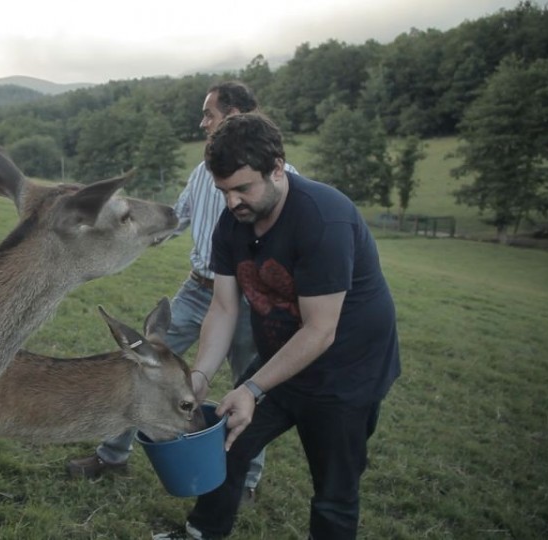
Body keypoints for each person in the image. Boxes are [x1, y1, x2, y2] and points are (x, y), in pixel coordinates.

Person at [153, 112, 401, 540]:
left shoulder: (324, 219)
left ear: (278, 168)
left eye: (243, 188)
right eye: (223, 191)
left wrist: (251, 388)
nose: (232, 203)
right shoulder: (232, 224)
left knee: (334, 491)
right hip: (283, 361)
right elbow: (224, 308)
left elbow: (320, 330)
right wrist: (200, 375)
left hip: (347, 374)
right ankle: (202, 534)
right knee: (227, 443)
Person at [67, 81, 297, 502]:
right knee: (144, 368)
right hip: (197, 290)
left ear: (236, 114)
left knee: (249, 384)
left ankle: (244, 480)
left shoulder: (279, 178)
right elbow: (178, 219)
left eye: (209, 113)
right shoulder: (201, 171)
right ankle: (113, 454)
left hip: (250, 301)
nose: (202, 122)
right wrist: (123, 234)